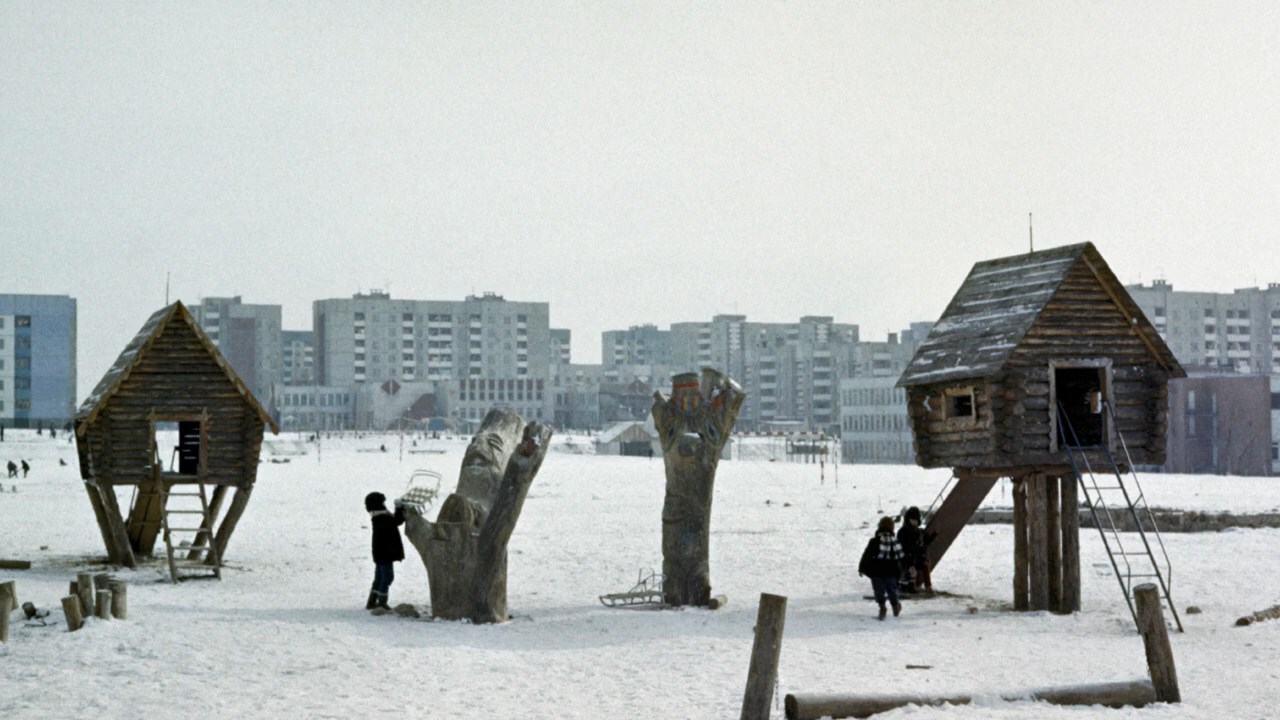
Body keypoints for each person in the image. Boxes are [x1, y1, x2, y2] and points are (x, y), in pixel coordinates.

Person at [364, 491, 405, 610]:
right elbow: (397, 521)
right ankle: (382, 603)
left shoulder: (378, 516)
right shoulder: (383, 517)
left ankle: (371, 602)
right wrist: (399, 508)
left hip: (380, 553)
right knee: (387, 577)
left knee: (379, 578)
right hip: (385, 553)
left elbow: (395, 521)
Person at [858, 516, 904, 620]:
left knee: (879, 591)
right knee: (892, 590)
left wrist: (861, 568)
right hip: (891, 571)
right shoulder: (895, 542)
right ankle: (895, 605)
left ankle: (882, 608)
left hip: (877, 571)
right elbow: (901, 557)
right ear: (892, 528)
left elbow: (867, 555)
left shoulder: (874, 541)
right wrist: (906, 568)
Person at [897, 506, 936, 594]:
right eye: (912, 519)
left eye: (916, 519)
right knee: (912, 568)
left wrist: (933, 536)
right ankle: (912, 586)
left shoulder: (919, 531)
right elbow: (901, 546)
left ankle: (927, 587)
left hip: (918, 557)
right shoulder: (903, 531)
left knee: (925, 564)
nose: (914, 522)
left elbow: (926, 542)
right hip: (907, 558)